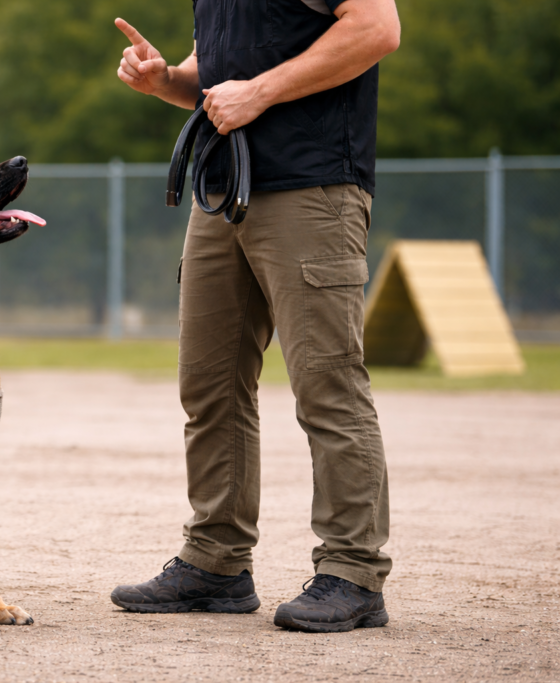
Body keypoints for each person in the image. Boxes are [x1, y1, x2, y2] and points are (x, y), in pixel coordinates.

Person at [110, 0, 401, 633]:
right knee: (209, 384)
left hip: (313, 188)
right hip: (223, 191)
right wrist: (166, 80)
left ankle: (353, 571)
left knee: (327, 385)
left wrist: (260, 93)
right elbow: (214, 77)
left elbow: (378, 28)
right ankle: (216, 562)